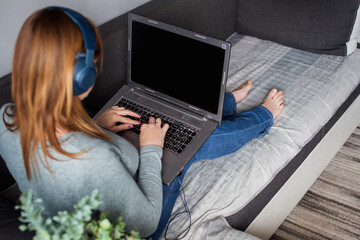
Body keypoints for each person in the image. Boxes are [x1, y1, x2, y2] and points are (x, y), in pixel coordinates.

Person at [0, 7, 284, 239]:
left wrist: (96, 126)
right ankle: (264, 116)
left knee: (184, 126)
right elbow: (145, 223)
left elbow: (61, 157)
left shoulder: (5, 119)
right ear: (82, 76)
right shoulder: (95, 157)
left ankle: (224, 103)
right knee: (193, 142)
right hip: (132, 232)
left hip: (68, 213)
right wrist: (151, 150)